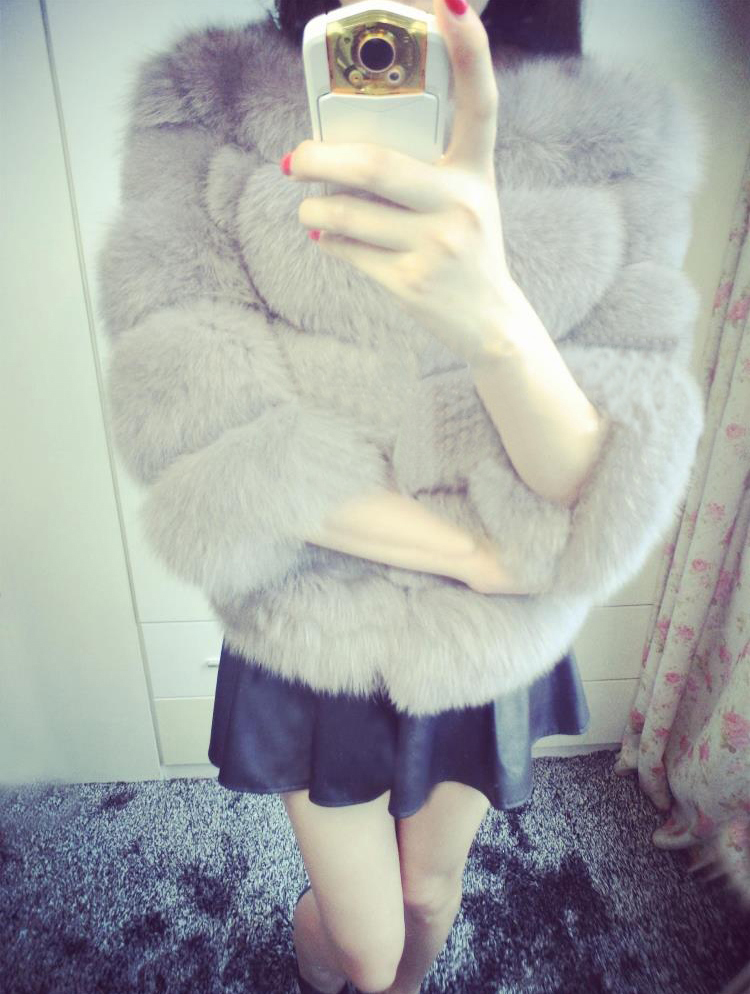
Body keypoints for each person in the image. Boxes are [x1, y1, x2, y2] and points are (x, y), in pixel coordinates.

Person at [96, 0, 705, 991]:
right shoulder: (206, 99)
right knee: (367, 944)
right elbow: (200, 428)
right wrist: (476, 552)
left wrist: (491, 313)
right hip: (309, 608)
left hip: (483, 637)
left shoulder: (620, 134)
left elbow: (598, 488)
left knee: (427, 898)